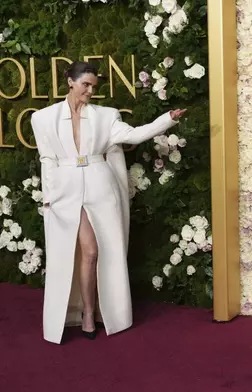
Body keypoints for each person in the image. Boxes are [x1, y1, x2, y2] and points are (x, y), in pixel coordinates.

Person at [31, 61, 186, 344]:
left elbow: (134, 135)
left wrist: (168, 119)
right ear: (70, 82)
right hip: (64, 192)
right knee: (80, 251)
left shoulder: (106, 116)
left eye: (94, 86)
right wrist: (49, 196)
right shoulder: (42, 118)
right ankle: (81, 312)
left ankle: (91, 313)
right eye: (85, 85)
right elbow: (47, 160)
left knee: (95, 252)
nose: (90, 91)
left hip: (100, 187)